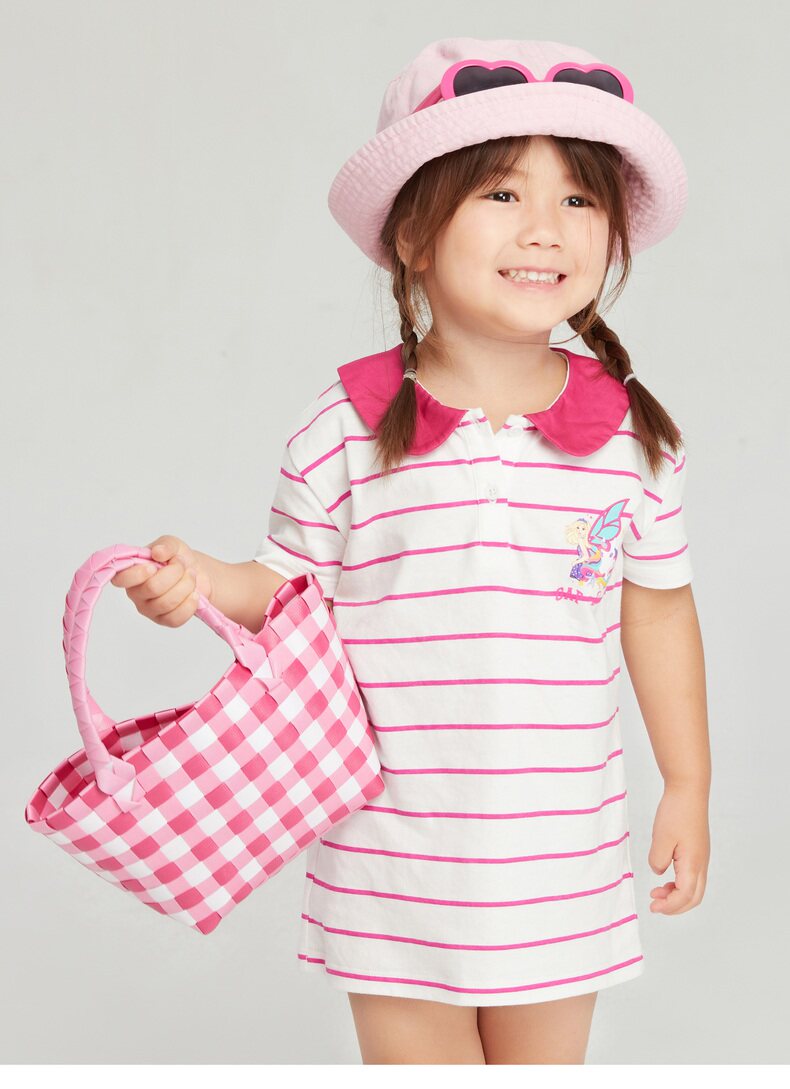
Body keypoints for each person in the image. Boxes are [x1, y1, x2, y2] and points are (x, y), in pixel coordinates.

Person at [111, 37, 711, 1065]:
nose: (544, 228)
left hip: (556, 856)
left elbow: (657, 609)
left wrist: (687, 782)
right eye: (501, 194)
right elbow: (285, 588)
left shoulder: (630, 437)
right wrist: (201, 581)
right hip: (392, 859)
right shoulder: (345, 426)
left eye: (578, 199)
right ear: (413, 236)